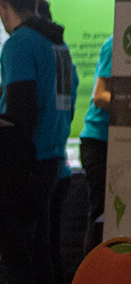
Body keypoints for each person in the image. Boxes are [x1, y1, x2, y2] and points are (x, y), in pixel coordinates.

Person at [0, 0, 76, 284]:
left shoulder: (20, 43)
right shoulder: (57, 42)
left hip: (26, 162)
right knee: (43, 254)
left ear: (3, 5)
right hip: (55, 158)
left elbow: (22, 111)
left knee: (18, 253)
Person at [79, 35, 112, 256]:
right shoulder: (117, 43)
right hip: (99, 142)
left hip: (118, 141)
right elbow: (100, 96)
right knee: (102, 217)